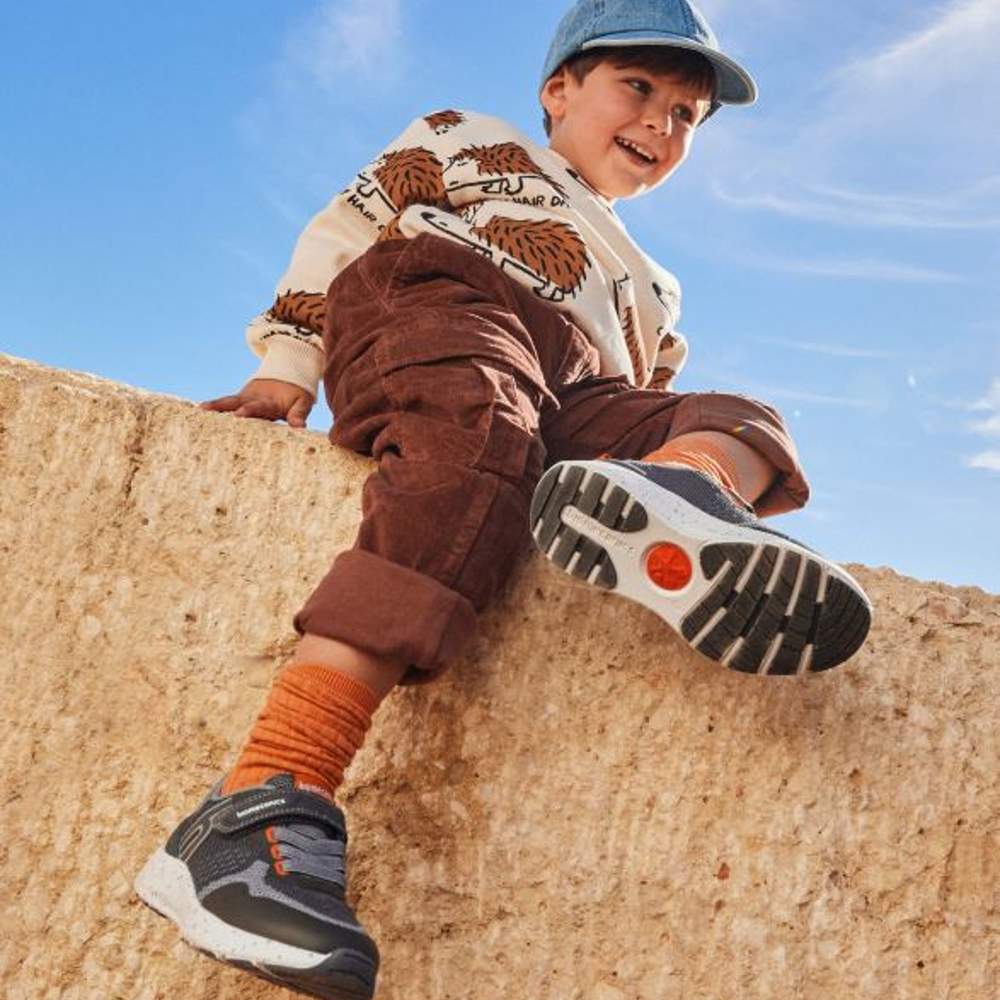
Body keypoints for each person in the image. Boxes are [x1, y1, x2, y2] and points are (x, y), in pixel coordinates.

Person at [135, 2, 872, 997]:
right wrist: (285, 369)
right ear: (558, 91)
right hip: (443, 299)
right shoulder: (466, 138)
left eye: (688, 115)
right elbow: (344, 227)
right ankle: (256, 805)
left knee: (733, 413)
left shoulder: (655, 288)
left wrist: (658, 450)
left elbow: (641, 395)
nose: (662, 123)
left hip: (580, 391)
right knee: (475, 453)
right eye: (639, 89)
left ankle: (684, 498)